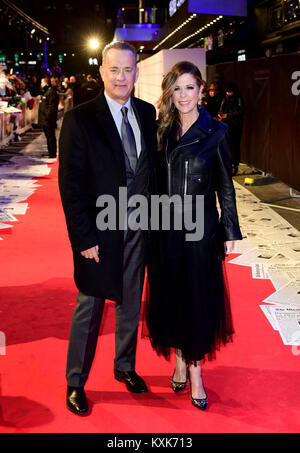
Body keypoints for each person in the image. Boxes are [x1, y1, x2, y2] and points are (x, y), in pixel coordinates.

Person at [59, 41, 157, 416]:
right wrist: (83, 238)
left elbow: (153, 173)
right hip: (99, 232)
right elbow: (71, 185)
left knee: (131, 300)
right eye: (114, 70)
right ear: (102, 72)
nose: (121, 77)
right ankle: (75, 381)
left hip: (140, 228)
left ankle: (125, 366)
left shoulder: (147, 114)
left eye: (128, 70)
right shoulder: (80, 118)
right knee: (91, 304)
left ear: (136, 73)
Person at [145, 61, 242, 410]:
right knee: (170, 295)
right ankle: (180, 360)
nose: (183, 95)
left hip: (200, 230)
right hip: (164, 231)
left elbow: (225, 187)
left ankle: (197, 370)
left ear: (201, 90)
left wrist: (230, 228)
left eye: (190, 87)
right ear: (170, 92)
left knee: (197, 299)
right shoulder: (160, 131)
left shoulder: (216, 132)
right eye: (177, 88)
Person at [218, 82, 245, 175]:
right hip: (226, 125)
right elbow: (221, 108)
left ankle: (235, 166)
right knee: (226, 146)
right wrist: (220, 113)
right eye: (227, 92)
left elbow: (241, 111)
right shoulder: (225, 97)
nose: (228, 94)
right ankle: (228, 166)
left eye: (230, 92)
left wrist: (228, 115)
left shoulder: (238, 97)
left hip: (235, 125)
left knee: (234, 146)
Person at [38, 76, 59, 158]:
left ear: (46, 83)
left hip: (49, 120)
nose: (41, 84)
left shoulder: (51, 92)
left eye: (42, 82)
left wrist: (47, 117)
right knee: (48, 136)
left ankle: (53, 153)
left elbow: (51, 106)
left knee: (50, 136)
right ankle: (50, 151)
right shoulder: (46, 92)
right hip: (46, 119)